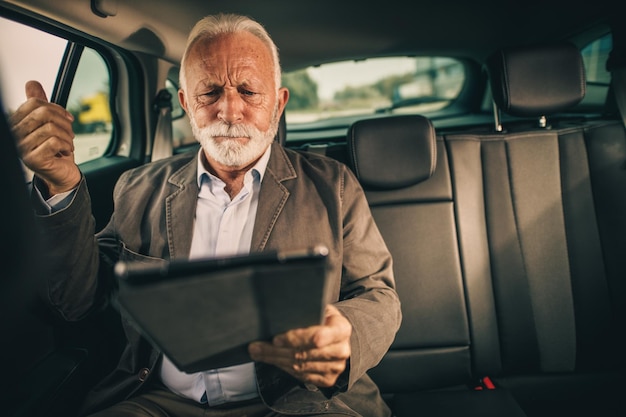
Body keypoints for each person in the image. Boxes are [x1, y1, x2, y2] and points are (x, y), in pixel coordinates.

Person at [10, 13, 401, 417]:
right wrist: (61, 186)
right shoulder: (137, 188)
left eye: (249, 91)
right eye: (209, 92)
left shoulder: (332, 185)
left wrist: (345, 334)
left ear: (279, 102)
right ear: (184, 103)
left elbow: (380, 296)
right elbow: (76, 301)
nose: (229, 111)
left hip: (300, 402)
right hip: (163, 402)